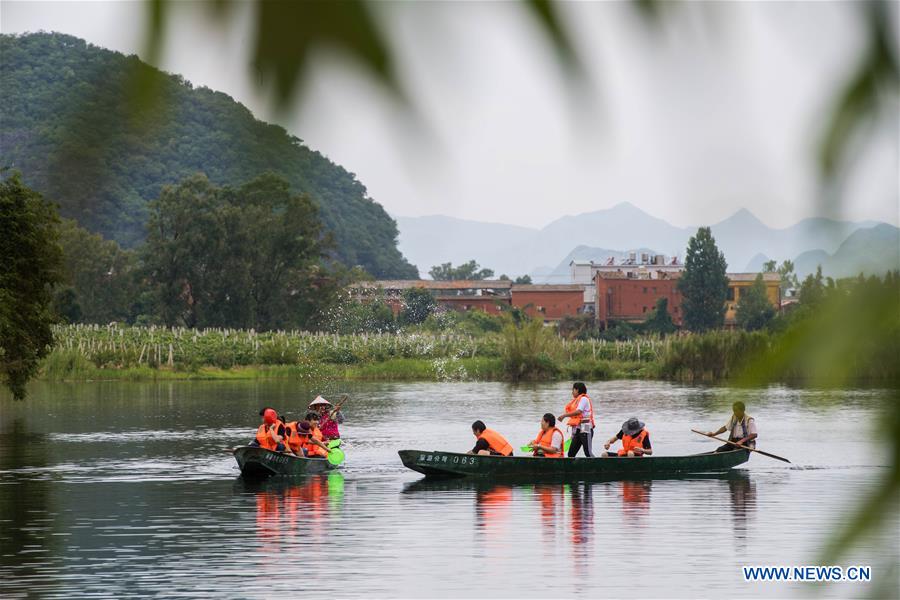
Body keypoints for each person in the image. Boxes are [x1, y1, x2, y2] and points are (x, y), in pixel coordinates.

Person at [557, 382, 594, 457]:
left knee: (588, 452)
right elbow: (576, 420)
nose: (572, 392)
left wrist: (564, 415)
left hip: (585, 426)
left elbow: (579, 411)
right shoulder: (577, 400)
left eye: (573, 390)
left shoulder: (584, 399)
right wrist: (573, 435)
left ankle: (598, 467)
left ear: (577, 390)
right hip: (577, 429)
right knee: (571, 453)